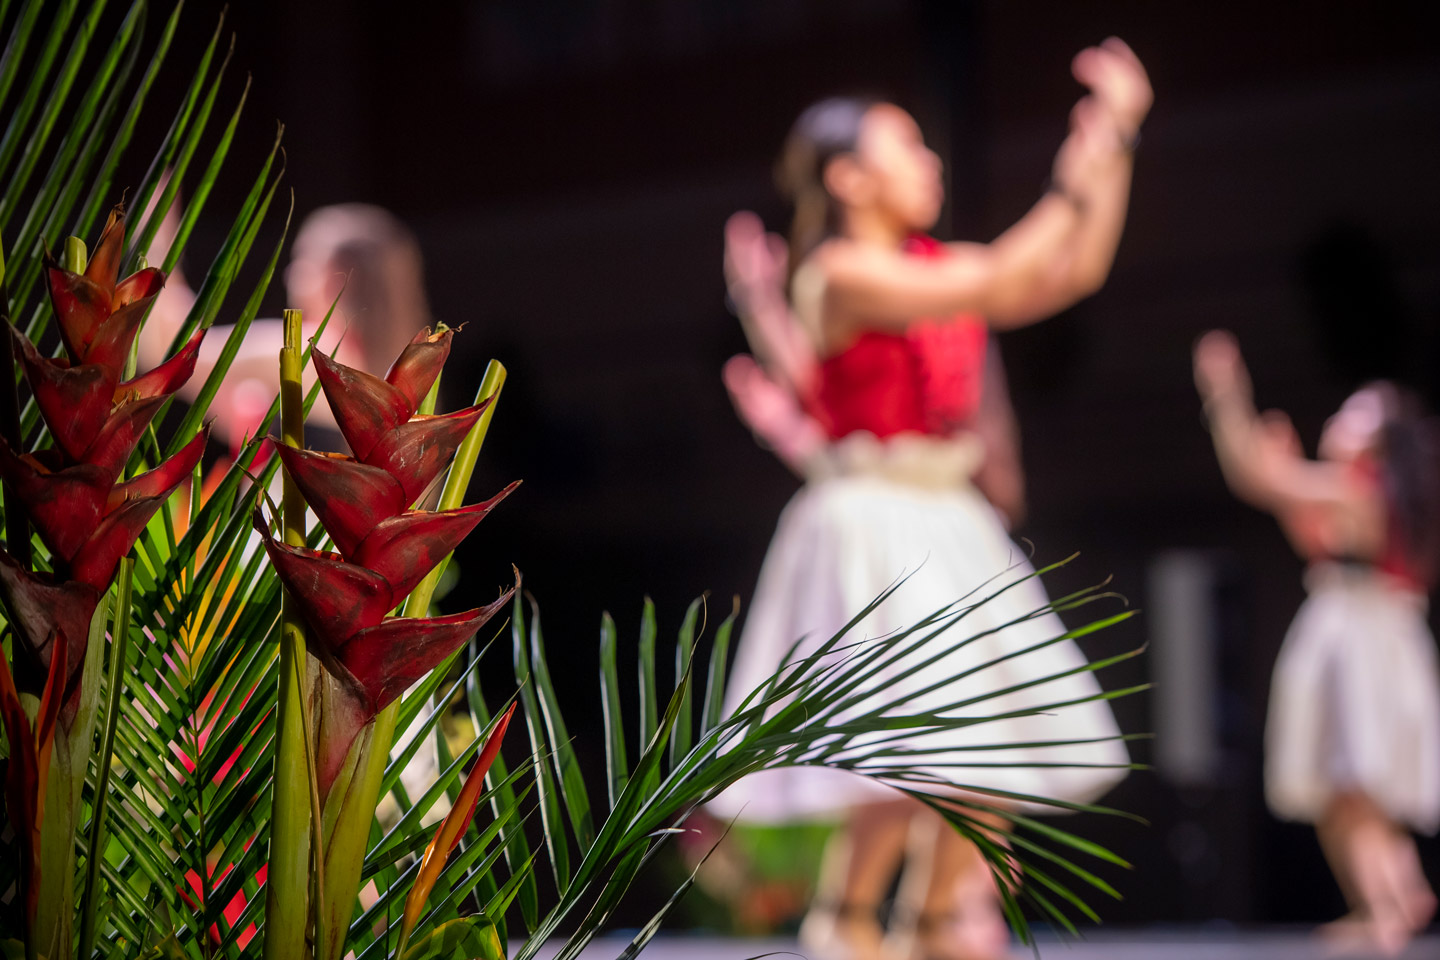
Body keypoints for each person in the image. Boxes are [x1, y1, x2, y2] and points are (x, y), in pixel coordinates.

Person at [709, 37, 1151, 960]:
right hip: (872, 520)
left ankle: (926, 921)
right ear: (849, 178)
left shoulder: (923, 264)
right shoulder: (841, 272)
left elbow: (1067, 273)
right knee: (905, 751)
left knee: (982, 746)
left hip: (948, 515)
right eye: (905, 148)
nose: (930, 162)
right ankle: (857, 920)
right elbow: (999, 277)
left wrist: (1112, 143)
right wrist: (1083, 156)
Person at [1193, 330, 1440, 957]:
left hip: (1362, 644)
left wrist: (1225, 394)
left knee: (1351, 785)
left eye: (1360, 414)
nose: (1343, 417)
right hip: (1379, 639)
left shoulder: (1358, 487)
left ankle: (1384, 909)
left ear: (1381, 442)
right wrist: (1283, 470)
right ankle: (1393, 894)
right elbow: (1304, 526)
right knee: (1351, 790)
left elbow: (1256, 477)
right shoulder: (1366, 496)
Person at [143, 202, 434, 454]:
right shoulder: (402, 377)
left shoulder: (316, 356)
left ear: (338, 278)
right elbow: (210, 390)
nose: (289, 276)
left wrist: (156, 243)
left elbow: (176, 352)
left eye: (304, 264)